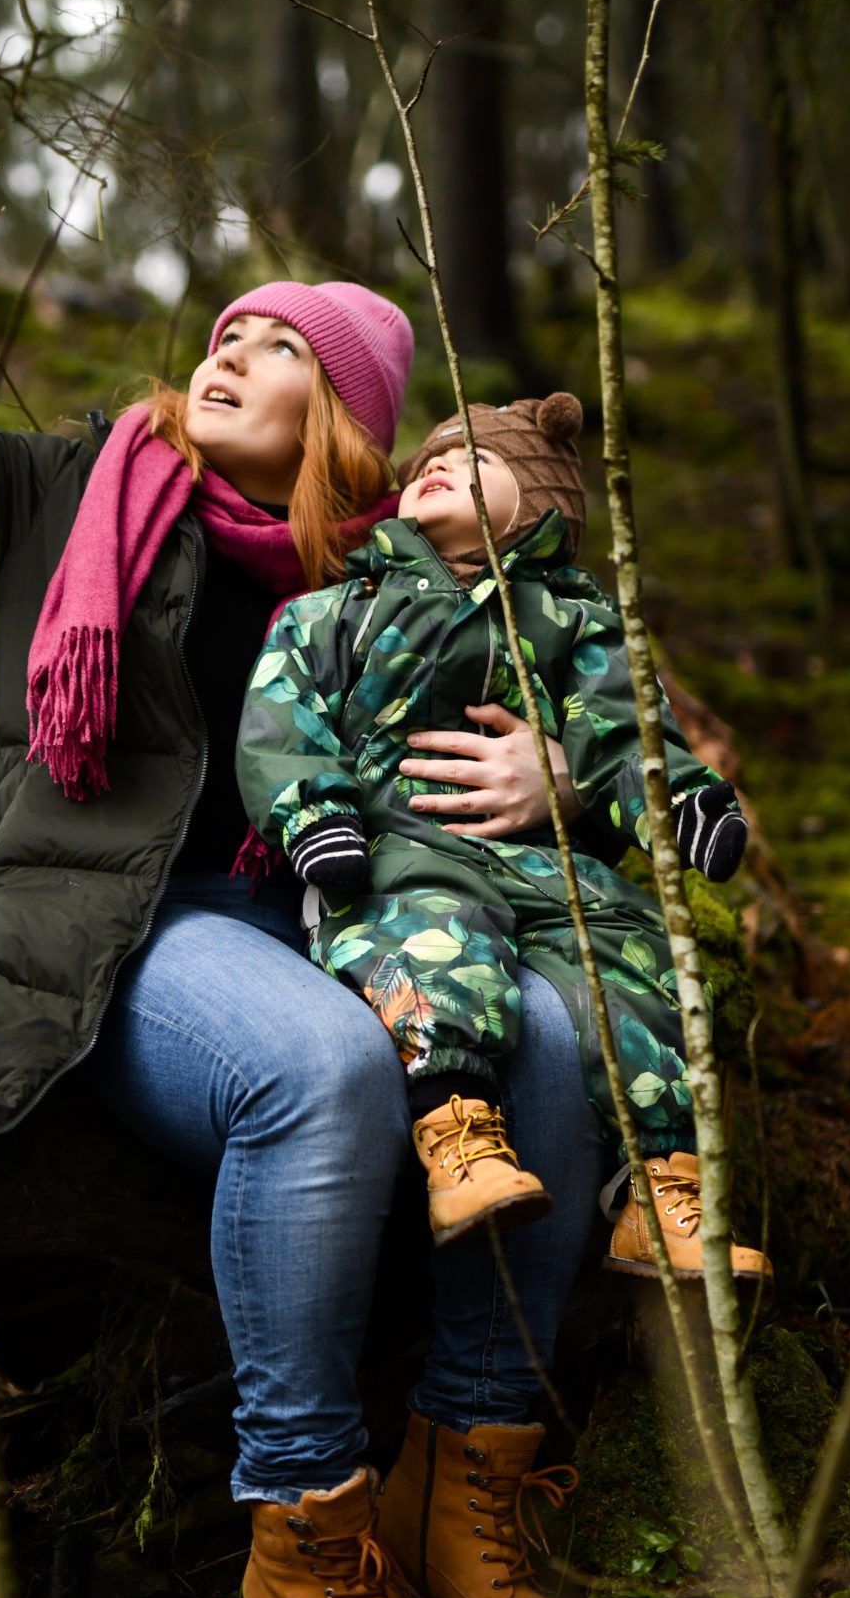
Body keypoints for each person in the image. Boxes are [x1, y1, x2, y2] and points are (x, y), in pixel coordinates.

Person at [0, 11, 611, 1598]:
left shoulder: (398, 587)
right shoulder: (67, 496)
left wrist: (558, 778)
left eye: (278, 345)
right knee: (318, 1069)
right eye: (226, 331)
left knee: (552, 1040)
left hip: (331, 921)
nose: (227, 353)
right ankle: (303, 1540)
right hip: (110, 941)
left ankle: (463, 1497)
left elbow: (580, 715)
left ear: (344, 417)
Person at [237, 396, 771, 1296]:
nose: (438, 466)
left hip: (546, 861)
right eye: (430, 460)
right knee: (437, 942)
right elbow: (282, 722)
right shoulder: (335, 611)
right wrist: (315, 819)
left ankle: (661, 1193)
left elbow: (620, 730)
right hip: (399, 847)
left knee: (635, 959)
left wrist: (676, 801)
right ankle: (458, 1139)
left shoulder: (572, 620)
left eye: (475, 461)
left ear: (539, 507)